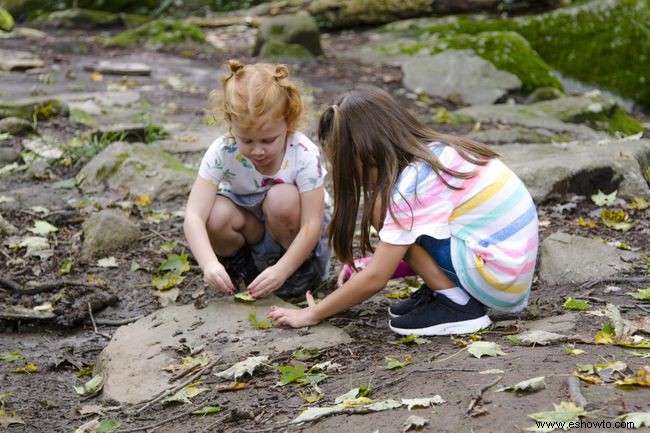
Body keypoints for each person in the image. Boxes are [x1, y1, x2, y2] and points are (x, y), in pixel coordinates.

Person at [268, 85, 538, 336]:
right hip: (505, 271)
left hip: (498, 276)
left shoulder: (413, 186)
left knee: (385, 210)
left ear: (364, 155)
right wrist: (367, 265)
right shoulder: (434, 154)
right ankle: (444, 290)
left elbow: (376, 279)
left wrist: (313, 313)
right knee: (386, 212)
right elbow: (412, 248)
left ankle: (457, 306)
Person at [184, 59, 330, 300]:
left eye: (268, 140)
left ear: (289, 123)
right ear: (231, 126)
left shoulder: (303, 153)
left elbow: (311, 224)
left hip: (293, 233)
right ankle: (246, 269)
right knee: (215, 214)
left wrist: (283, 270)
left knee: (281, 197)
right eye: (247, 141)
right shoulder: (223, 151)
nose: (258, 151)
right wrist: (209, 263)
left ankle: (297, 271)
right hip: (251, 226)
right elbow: (194, 215)